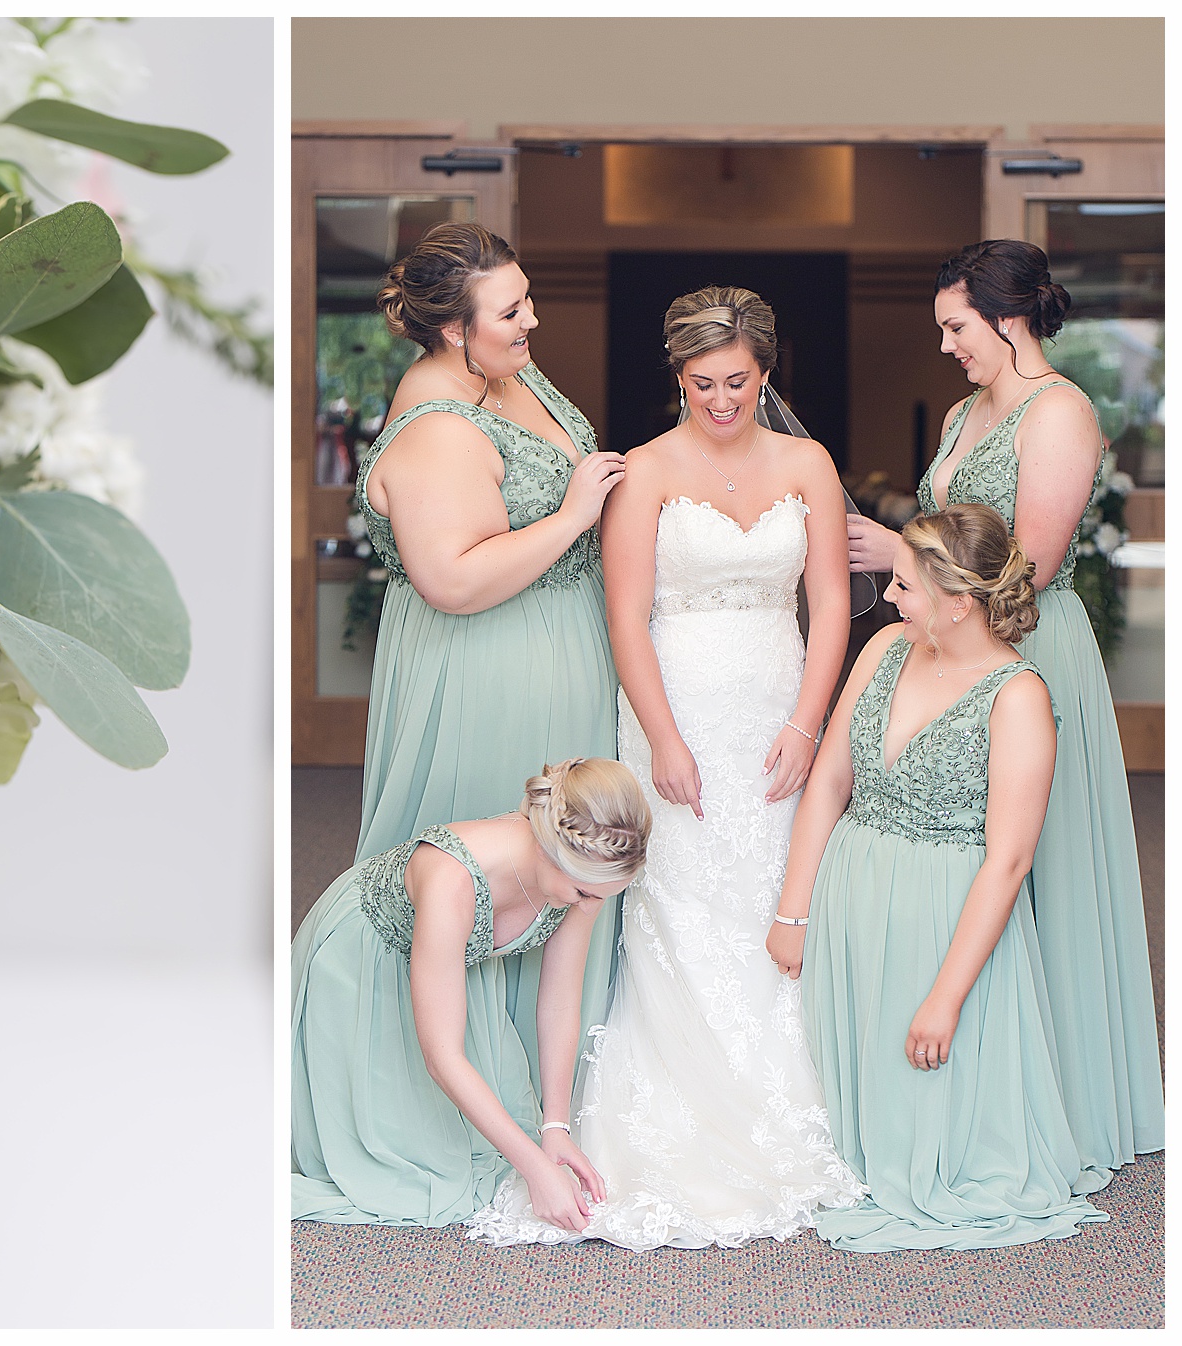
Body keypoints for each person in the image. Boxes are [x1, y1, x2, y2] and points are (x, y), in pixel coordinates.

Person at [468, 286, 864, 1250]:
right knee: (680, 900)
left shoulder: (808, 461)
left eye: (737, 381)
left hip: (774, 704)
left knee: (775, 887)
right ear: (677, 377)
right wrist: (664, 739)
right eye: (701, 383)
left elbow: (830, 603)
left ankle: (792, 1106)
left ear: (765, 374)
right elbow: (626, 617)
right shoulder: (644, 470)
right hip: (673, 704)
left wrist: (809, 726)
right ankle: (675, 1114)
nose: (720, 399)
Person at [844, 241, 1162, 1187]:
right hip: (950, 639)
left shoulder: (1059, 412)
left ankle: (1055, 1093)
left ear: (1008, 316)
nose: (946, 345)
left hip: (1025, 646)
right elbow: (954, 530)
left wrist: (892, 542)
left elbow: (1027, 562)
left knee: (1033, 861)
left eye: (956, 326)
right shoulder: (961, 411)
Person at [771, 506, 1108, 1250]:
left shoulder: (1018, 696)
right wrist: (794, 910)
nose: (888, 598)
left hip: (943, 916)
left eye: (903, 585)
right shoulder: (887, 648)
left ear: (960, 601)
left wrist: (947, 998)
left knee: (923, 1081)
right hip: (852, 890)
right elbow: (829, 782)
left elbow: (1009, 860)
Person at [354, 221, 627, 1081]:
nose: (531, 321)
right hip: (487, 667)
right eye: (510, 311)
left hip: (561, 644)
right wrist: (575, 516)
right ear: (451, 328)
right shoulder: (437, 426)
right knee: (507, 860)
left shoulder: (504, 368)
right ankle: (481, 1086)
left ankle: (563, 1087)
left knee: (574, 854)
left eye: (528, 298)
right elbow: (455, 580)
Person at [292, 757, 651, 1228]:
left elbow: (560, 1000)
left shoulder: (585, 876)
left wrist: (555, 1128)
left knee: (492, 1145)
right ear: (547, 850)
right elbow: (441, 1054)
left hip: (447, 974)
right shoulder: (452, 881)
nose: (591, 907)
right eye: (585, 893)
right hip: (362, 966)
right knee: (401, 1168)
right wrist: (536, 1168)